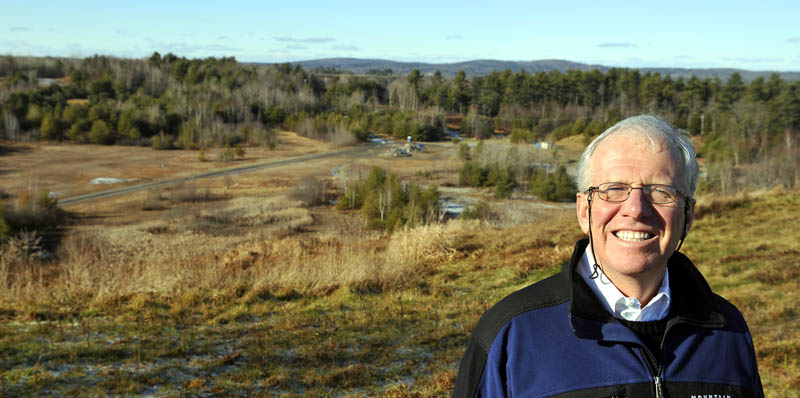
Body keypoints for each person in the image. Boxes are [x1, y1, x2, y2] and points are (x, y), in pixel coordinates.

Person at [453, 115, 762, 397]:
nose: (636, 209)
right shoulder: (512, 335)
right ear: (584, 210)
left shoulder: (727, 331)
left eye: (661, 192)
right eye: (614, 189)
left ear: (688, 215)